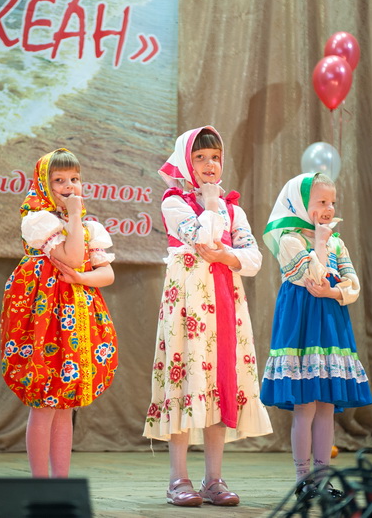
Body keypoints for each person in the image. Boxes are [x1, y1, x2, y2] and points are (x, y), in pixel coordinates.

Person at [143, 126, 272, 507]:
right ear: (187, 163)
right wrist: (212, 205)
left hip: (226, 303)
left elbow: (253, 258)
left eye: (215, 157)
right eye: (200, 157)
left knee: (220, 382)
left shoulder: (234, 210)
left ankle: (213, 479)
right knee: (185, 381)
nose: (209, 164)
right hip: (189, 306)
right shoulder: (174, 202)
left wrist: (227, 255)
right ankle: (177, 479)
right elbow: (200, 238)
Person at [1, 148, 118, 479]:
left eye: (74, 179)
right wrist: (75, 219)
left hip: (77, 311)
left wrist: (81, 278)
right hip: (44, 315)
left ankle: (60, 483)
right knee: (44, 402)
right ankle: (41, 485)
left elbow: (106, 274)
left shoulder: (88, 225)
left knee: (65, 405)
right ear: (43, 184)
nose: (69, 186)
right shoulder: (38, 219)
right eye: (59, 181)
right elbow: (71, 256)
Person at [260, 172, 372, 500]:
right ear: (300, 203)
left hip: (331, 322)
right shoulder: (290, 239)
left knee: (326, 405)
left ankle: (323, 479)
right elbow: (311, 277)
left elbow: (351, 284)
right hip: (301, 323)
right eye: (321, 201)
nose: (328, 208)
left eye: (332, 202)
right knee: (305, 405)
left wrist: (333, 293)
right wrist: (320, 244)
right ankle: (303, 480)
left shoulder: (338, 242)